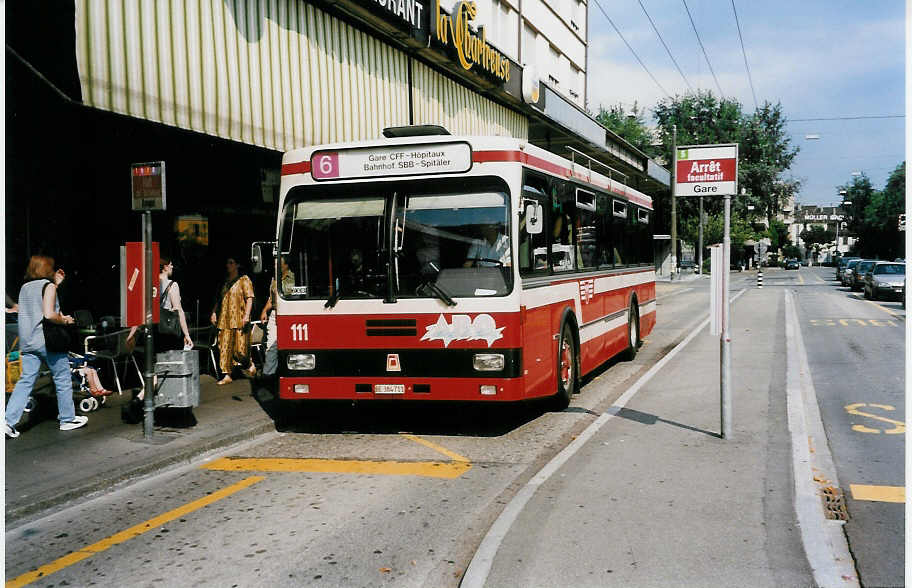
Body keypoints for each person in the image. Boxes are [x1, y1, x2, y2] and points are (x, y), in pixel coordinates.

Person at [5, 255, 88, 437]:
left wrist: (56, 284)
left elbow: (38, 304)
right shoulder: (48, 286)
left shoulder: (25, 288)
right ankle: (67, 419)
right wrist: (65, 320)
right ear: (47, 269)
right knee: (62, 378)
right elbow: (50, 314)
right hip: (47, 340)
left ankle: (8, 421)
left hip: (28, 341)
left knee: (26, 381)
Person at [210, 257, 255, 385]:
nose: (228, 265)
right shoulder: (225, 283)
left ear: (237, 265)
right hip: (224, 320)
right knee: (224, 347)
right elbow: (220, 300)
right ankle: (227, 375)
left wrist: (246, 315)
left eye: (231, 262)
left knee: (240, 350)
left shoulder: (244, 280)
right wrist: (214, 313)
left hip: (239, 319)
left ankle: (248, 362)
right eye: (227, 262)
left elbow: (250, 298)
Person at [259, 257, 294, 378]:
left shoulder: (294, 277)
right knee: (271, 345)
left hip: (289, 314)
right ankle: (268, 375)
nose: (275, 267)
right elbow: (271, 298)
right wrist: (265, 310)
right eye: (274, 264)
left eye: (278, 264)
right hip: (275, 314)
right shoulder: (274, 278)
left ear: (285, 266)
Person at [159, 257, 193, 351]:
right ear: (165, 267)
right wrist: (186, 334)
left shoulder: (151, 284)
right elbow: (179, 311)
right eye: (171, 264)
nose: (172, 266)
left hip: (155, 331)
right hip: (168, 332)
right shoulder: (172, 285)